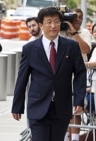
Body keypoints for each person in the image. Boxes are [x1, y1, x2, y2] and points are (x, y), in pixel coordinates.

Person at [11, 7, 86, 141]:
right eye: (49, 22)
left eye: (56, 21)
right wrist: (17, 106)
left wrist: (79, 99)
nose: (53, 25)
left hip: (61, 107)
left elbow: (80, 73)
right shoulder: (30, 49)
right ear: (41, 25)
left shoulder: (71, 46)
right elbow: (22, 78)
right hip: (38, 106)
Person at [60, 8, 92, 141]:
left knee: (76, 108)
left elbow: (86, 49)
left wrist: (74, 33)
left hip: (78, 75)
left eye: (79, 17)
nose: (77, 19)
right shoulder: (60, 30)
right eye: (74, 16)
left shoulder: (83, 32)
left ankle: (74, 138)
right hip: (62, 75)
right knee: (62, 108)